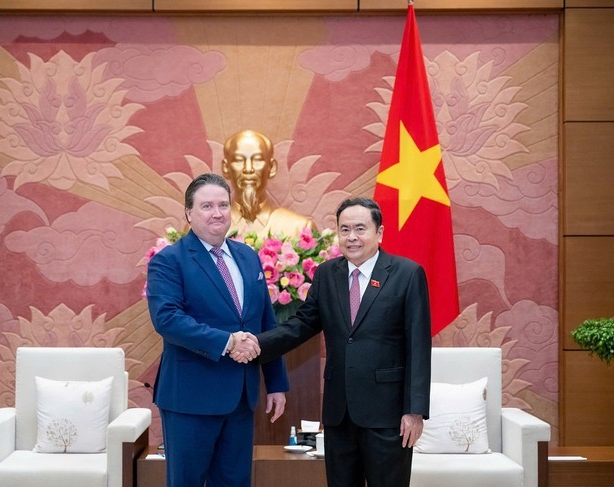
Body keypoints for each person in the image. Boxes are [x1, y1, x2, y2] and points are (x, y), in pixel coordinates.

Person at [249, 196, 431, 487]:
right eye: (344, 230)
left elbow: (419, 347)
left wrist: (415, 410)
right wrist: (257, 344)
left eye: (360, 229)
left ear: (379, 233)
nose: (352, 237)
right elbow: (302, 324)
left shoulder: (407, 274)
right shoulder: (326, 274)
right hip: (339, 414)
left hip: (388, 415)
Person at [146, 173, 289, 487]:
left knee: (235, 482)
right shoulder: (169, 261)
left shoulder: (248, 257)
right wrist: (227, 342)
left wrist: (276, 382)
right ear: (189, 213)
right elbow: (168, 319)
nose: (217, 212)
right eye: (207, 205)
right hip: (190, 398)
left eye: (223, 204)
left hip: (240, 397)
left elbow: (267, 322)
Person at [222, 129, 316, 238]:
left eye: (257, 160)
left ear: (271, 168)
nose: (248, 169)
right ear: (226, 168)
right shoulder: (207, 229)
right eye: (238, 160)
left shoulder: (299, 229)